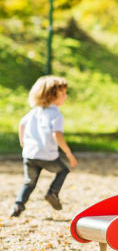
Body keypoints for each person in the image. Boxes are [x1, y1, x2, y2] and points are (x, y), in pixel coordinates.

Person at [10, 75, 78, 217]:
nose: (65, 96)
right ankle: (52, 193)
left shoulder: (34, 111)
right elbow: (57, 135)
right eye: (63, 94)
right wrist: (68, 153)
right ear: (52, 96)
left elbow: (21, 124)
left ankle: (18, 206)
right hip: (47, 156)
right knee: (63, 170)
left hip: (30, 154)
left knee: (29, 182)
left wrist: (23, 142)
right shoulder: (56, 115)